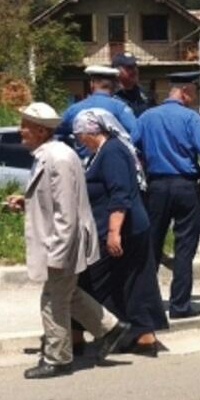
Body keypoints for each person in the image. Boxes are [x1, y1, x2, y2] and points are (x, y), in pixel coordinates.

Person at [5, 102, 130, 379]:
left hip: (62, 241)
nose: (20, 130)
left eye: (25, 125)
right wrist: (25, 201)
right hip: (62, 239)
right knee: (68, 293)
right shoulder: (50, 154)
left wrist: (57, 253)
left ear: (39, 130)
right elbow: (52, 199)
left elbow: (66, 211)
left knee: (53, 299)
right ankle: (110, 328)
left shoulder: (58, 158)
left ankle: (58, 358)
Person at [72, 108, 168, 357]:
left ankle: (106, 332)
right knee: (130, 283)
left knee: (90, 280)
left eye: (80, 133)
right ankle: (142, 337)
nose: (79, 139)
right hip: (123, 227)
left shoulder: (112, 151)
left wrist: (114, 232)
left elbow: (120, 193)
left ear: (93, 131)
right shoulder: (102, 152)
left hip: (124, 229)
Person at [135, 70, 200, 319]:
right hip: (185, 187)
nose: (193, 98)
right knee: (185, 247)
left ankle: (147, 304)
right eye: (193, 92)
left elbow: (132, 148)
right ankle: (180, 305)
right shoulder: (191, 119)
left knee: (151, 246)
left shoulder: (147, 117)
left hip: (156, 187)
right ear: (185, 91)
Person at [57, 65, 139, 155]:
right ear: (114, 85)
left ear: (91, 84)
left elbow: (57, 132)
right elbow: (136, 133)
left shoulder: (74, 109)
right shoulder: (120, 108)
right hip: (113, 162)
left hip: (83, 165)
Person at [112, 52, 153, 116]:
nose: (135, 70)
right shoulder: (111, 95)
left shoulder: (144, 93)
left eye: (135, 66)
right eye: (129, 67)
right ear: (116, 71)